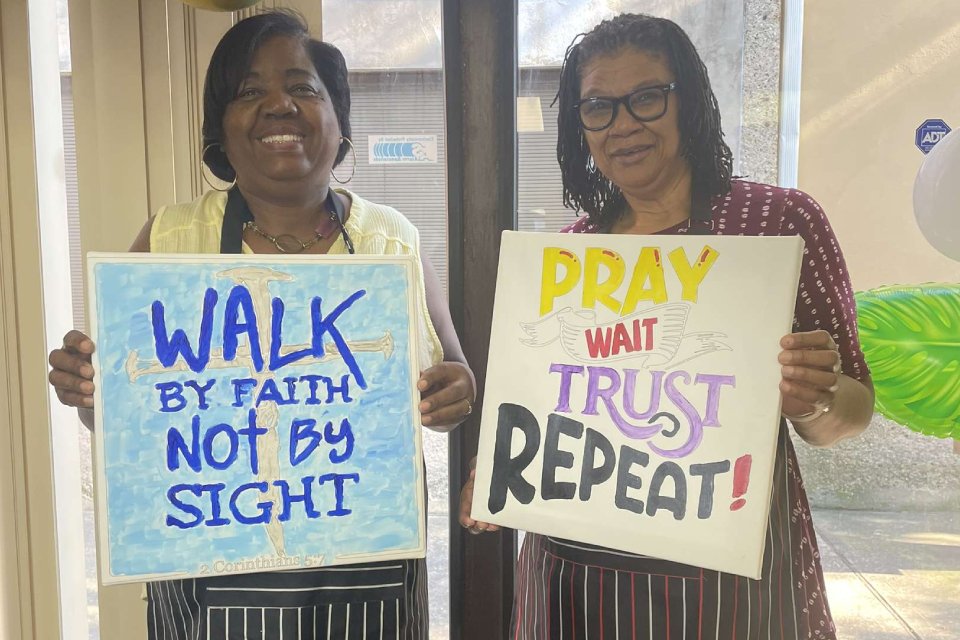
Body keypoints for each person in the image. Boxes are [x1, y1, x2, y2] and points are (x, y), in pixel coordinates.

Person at [47, 11, 474, 640]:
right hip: (210, 578)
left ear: (339, 119)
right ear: (221, 127)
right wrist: (87, 388)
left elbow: (457, 378)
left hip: (366, 573)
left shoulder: (391, 241)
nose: (279, 105)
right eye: (250, 91)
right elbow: (122, 417)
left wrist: (453, 394)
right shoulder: (170, 240)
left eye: (303, 88)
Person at [459, 13, 874, 639]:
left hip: (728, 582)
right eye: (598, 107)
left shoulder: (775, 223)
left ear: (689, 101)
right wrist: (499, 475)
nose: (623, 124)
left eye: (646, 98)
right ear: (581, 125)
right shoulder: (569, 257)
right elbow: (548, 411)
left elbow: (856, 409)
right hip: (573, 579)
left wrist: (814, 401)